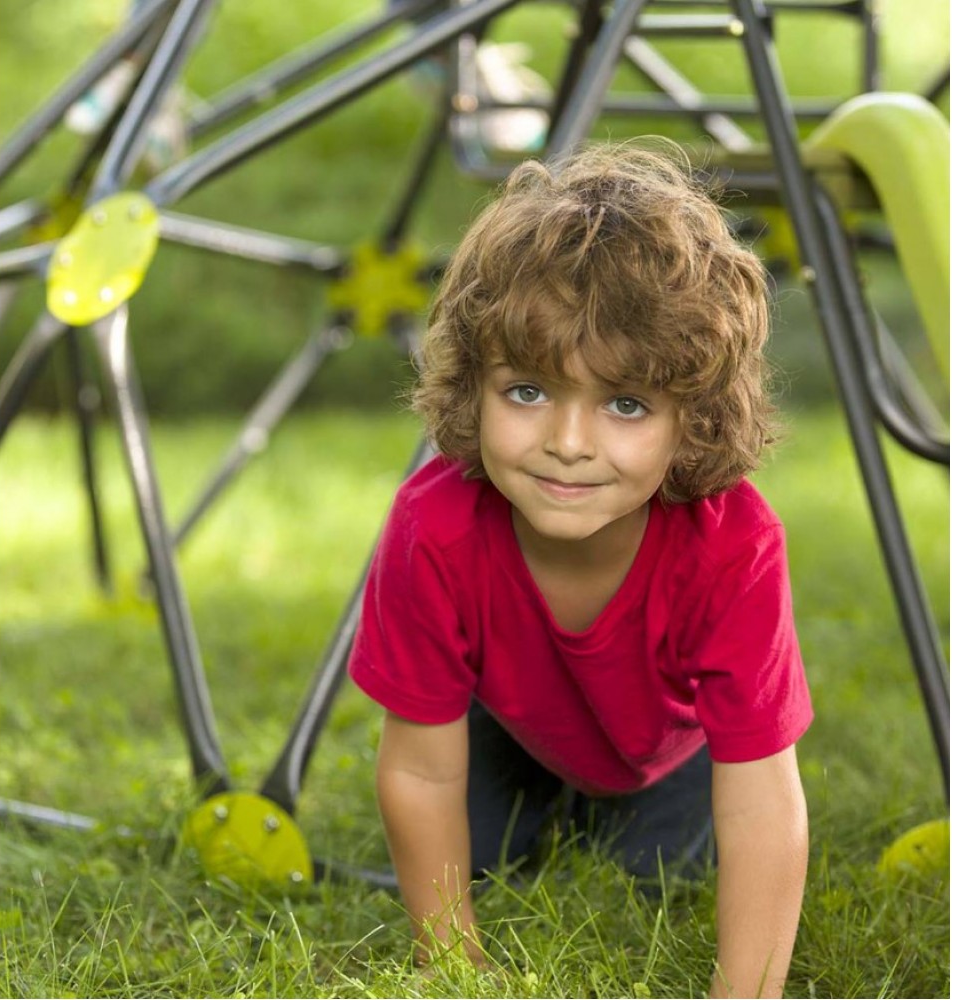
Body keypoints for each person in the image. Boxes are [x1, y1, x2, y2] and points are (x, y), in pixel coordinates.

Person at [347, 139, 813, 998]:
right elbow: (417, 766)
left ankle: (622, 820)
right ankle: (539, 817)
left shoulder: (734, 545)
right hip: (511, 735)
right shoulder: (434, 524)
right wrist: (451, 962)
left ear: (695, 419)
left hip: (674, 756)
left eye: (626, 404)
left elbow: (762, 798)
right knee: (474, 860)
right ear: (473, 388)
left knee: (655, 871)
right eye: (526, 391)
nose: (567, 444)